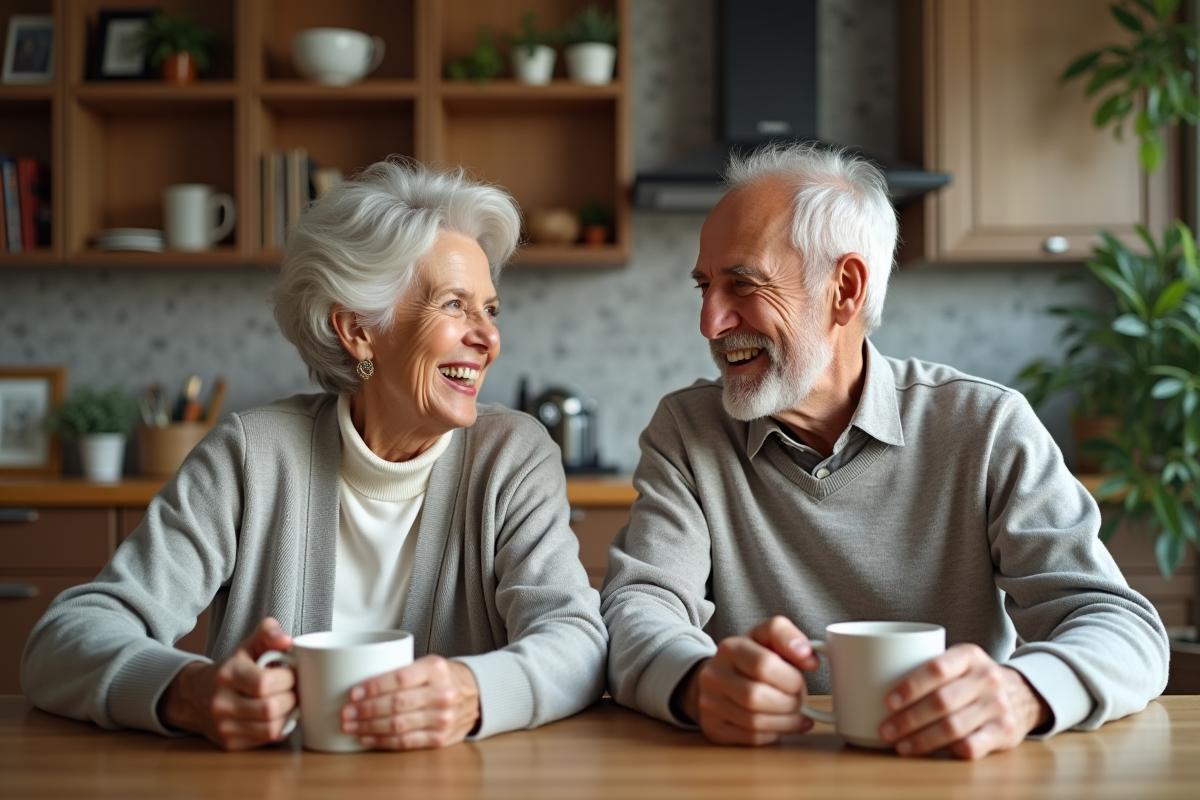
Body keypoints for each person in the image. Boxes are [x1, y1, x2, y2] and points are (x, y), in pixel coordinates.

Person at [601, 143, 1169, 759]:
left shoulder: (984, 426)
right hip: (758, 774)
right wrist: (693, 681)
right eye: (704, 286)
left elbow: (1121, 626)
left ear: (844, 288)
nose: (710, 322)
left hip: (951, 773)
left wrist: (1023, 693)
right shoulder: (688, 430)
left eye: (742, 284)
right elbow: (638, 608)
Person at [23, 159, 607, 751]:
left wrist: (473, 691)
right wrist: (191, 692)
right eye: (455, 305)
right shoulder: (251, 456)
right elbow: (63, 641)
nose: (487, 338)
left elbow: (579, 642)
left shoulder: (512, 456)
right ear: (357, 330)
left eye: (491, 309)